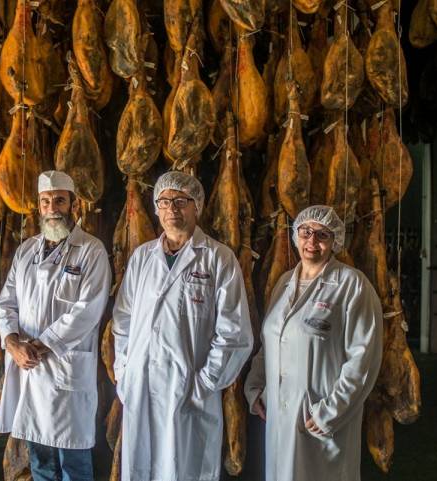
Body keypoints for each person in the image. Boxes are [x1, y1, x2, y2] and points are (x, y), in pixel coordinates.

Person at [112, 171, 253, 481]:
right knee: (141, 468)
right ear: (155, 207)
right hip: (141, 386)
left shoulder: (219, 259)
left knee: (183, 469)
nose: (171, 209)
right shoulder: (141, 258)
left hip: (188, 391)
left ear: (197, 206)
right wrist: (123, 371)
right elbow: (122, 320)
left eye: (180, 201)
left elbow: (235, 333)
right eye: (164, 201)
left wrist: (203, 384)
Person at [244, 205, 383, 481]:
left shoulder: (352, 285)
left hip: (321, 420)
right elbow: (269, 342)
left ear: (335, 242)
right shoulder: (284, 283)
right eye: (306, 232)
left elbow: (363, 359)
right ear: (296, 236)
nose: (312, 241)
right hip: (280, 417)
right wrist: (255, 387)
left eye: (322, 235)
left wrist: (330, 413)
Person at [0, 170, 111, 481]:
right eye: (46, 201)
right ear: (39, 206)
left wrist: (39, 345)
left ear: (74, 205)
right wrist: (11, 341)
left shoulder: (91, 250)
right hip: (27, 368)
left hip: (64, 368)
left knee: (74, 463)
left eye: (59, 200)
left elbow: (88, 310)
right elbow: (6, 304)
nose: (52, 207)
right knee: (41, 463)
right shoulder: (25, 251)